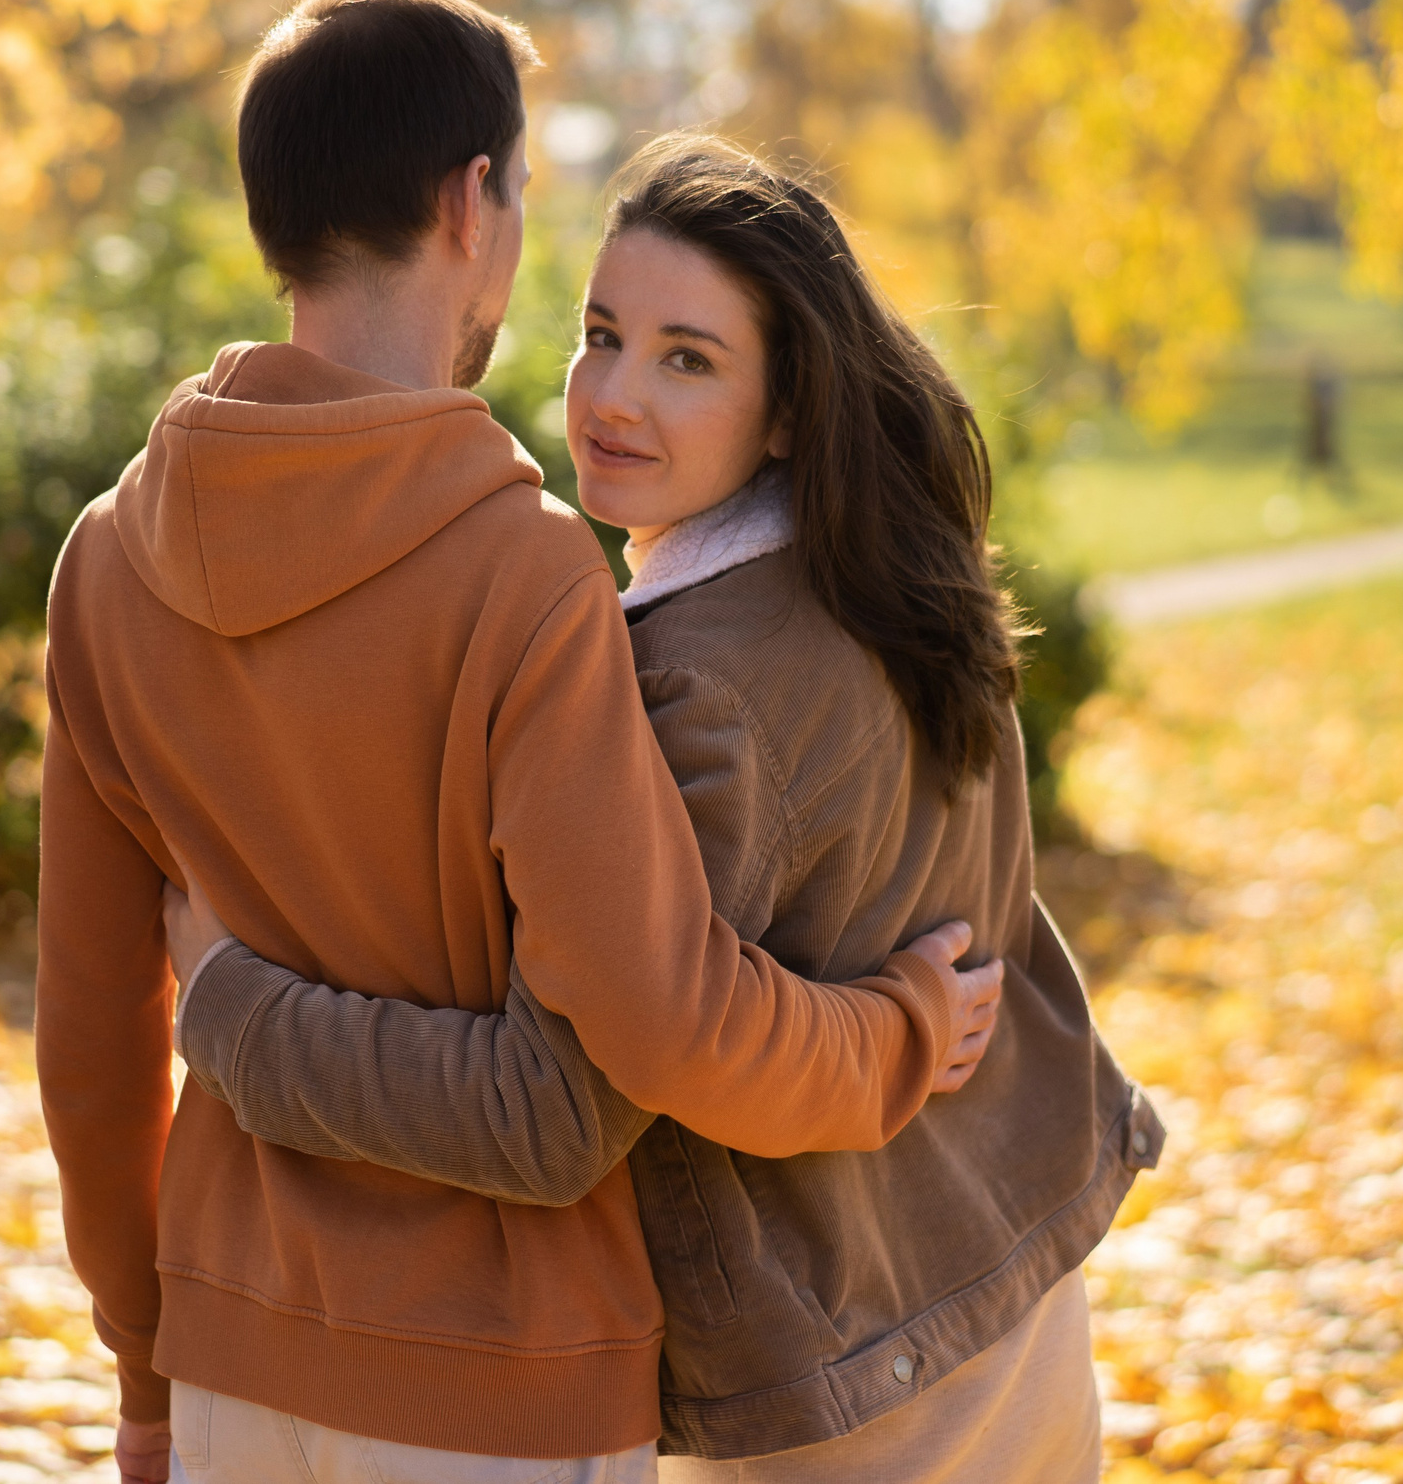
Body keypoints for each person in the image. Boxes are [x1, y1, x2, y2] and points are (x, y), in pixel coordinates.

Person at [36, 0, 1002, 1484]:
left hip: (230, 1351)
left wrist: (144, 1363)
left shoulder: (103, 559)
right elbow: (655, 1022)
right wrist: (893, 1036)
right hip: (502, 1384)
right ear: (472, 202)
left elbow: (94, 1032)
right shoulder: (525, 569)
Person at [165, 135, 1165, 1482]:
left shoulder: (691, 683)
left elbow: (549, 1108)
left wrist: (231, 1005)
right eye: (601, 334)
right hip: (1020, 1308)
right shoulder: (898, 577)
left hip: (858, 1408)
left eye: (687, 357)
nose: (613, 395)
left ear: (788, 406)